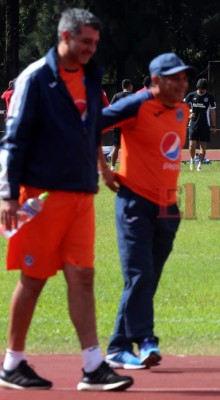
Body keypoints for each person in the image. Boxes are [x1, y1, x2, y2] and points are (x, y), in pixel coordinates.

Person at [0, 8, 133, 391]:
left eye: (95, 43)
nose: (92, 49)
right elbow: (15, 138)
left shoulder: (91, 77)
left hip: (80, 194)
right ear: (64, 37)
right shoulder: (36, 78)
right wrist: (8, 196)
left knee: (83, 277)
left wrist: (103, 169)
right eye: (85, 42)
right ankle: (13, 363)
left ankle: (93, 366)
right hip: (39, 194)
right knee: (33, 278)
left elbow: (90, 128)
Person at [99, 52, 194, 370]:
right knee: (138, 274)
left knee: (146, 279)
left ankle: (118, 345)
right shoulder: (136, 105)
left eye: (184, 78)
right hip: (135, 203)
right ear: (156, 81)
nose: (182, 84)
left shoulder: (183, 111)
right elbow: (90, 126)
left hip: (168, 206)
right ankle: (146, 340)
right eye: (174, 78)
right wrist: (103, 168)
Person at [184, 78, 216, 171]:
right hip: (193, 123)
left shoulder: (210, 97)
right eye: (199, 88)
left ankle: (200, 165)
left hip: (205, 124)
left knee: (203, 146)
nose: (201, 90)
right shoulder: (191, 95)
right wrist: (189, 114)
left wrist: (213, 125)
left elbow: (213, 111)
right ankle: (192, 159)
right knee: (192, 144)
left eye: (203, 89)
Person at [108, 79, 134, 171]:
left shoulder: (117, 96)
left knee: (116, 146)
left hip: (118, 124)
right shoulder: (134, 96)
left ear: (123, 87)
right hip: (130, 125)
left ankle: (112, 167)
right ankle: (130, 166)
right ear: (130, 86)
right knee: (131, 147)